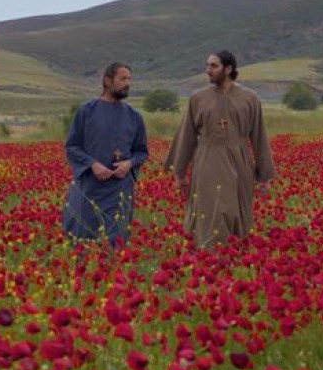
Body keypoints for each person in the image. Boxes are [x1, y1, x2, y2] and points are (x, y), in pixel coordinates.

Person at [163, 50, 275, 248]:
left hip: (239, 162)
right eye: (207, 66)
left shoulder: (249, 98)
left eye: (214, 66)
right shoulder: (198, 98)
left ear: (228, 69)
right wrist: (179, 172)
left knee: (237, 211)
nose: (208, 70)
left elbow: (259, 136)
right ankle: (208, 255)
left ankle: (235, 256)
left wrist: (264, 175)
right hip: (207, 162)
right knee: (208, 212)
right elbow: (186, 135)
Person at [62, 62, 148, 245]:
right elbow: (72, 146)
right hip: (90, 187)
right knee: (83, 239)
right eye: (122, 79)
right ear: (107, 81)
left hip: (120, 189)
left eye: (129, 79)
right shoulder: (86, 111)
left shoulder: (134, 116)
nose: (128, 83)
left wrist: (128, 164)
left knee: (116, 242)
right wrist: (92, 164)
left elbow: (141, 152)